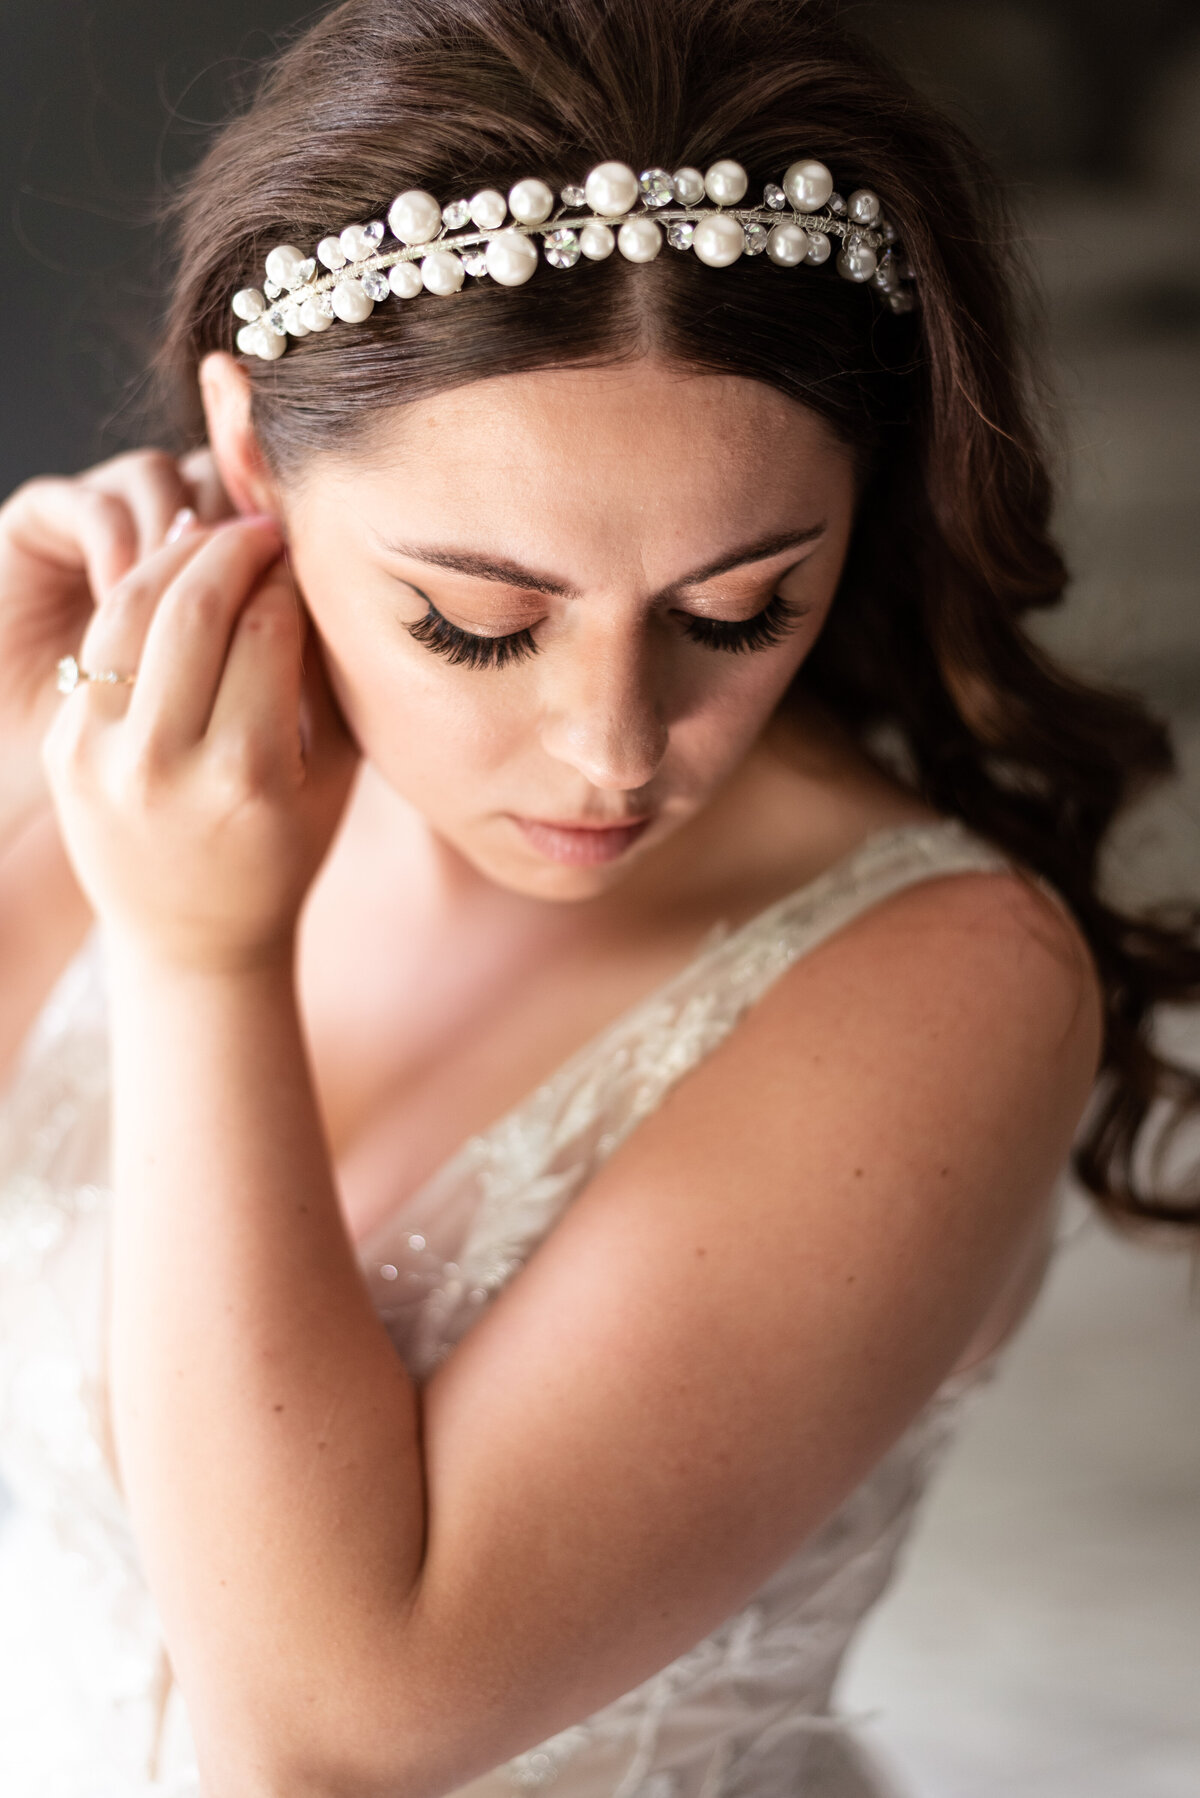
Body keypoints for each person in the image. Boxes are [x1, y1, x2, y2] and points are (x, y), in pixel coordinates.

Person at [0, 0, 1196, 1793]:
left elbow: (318, 1740)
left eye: (737, 610)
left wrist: (197, 957)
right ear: (252, 459)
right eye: (478, 620)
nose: (614, 748)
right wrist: (23, 783)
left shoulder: (951, 975)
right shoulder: (140, 773)